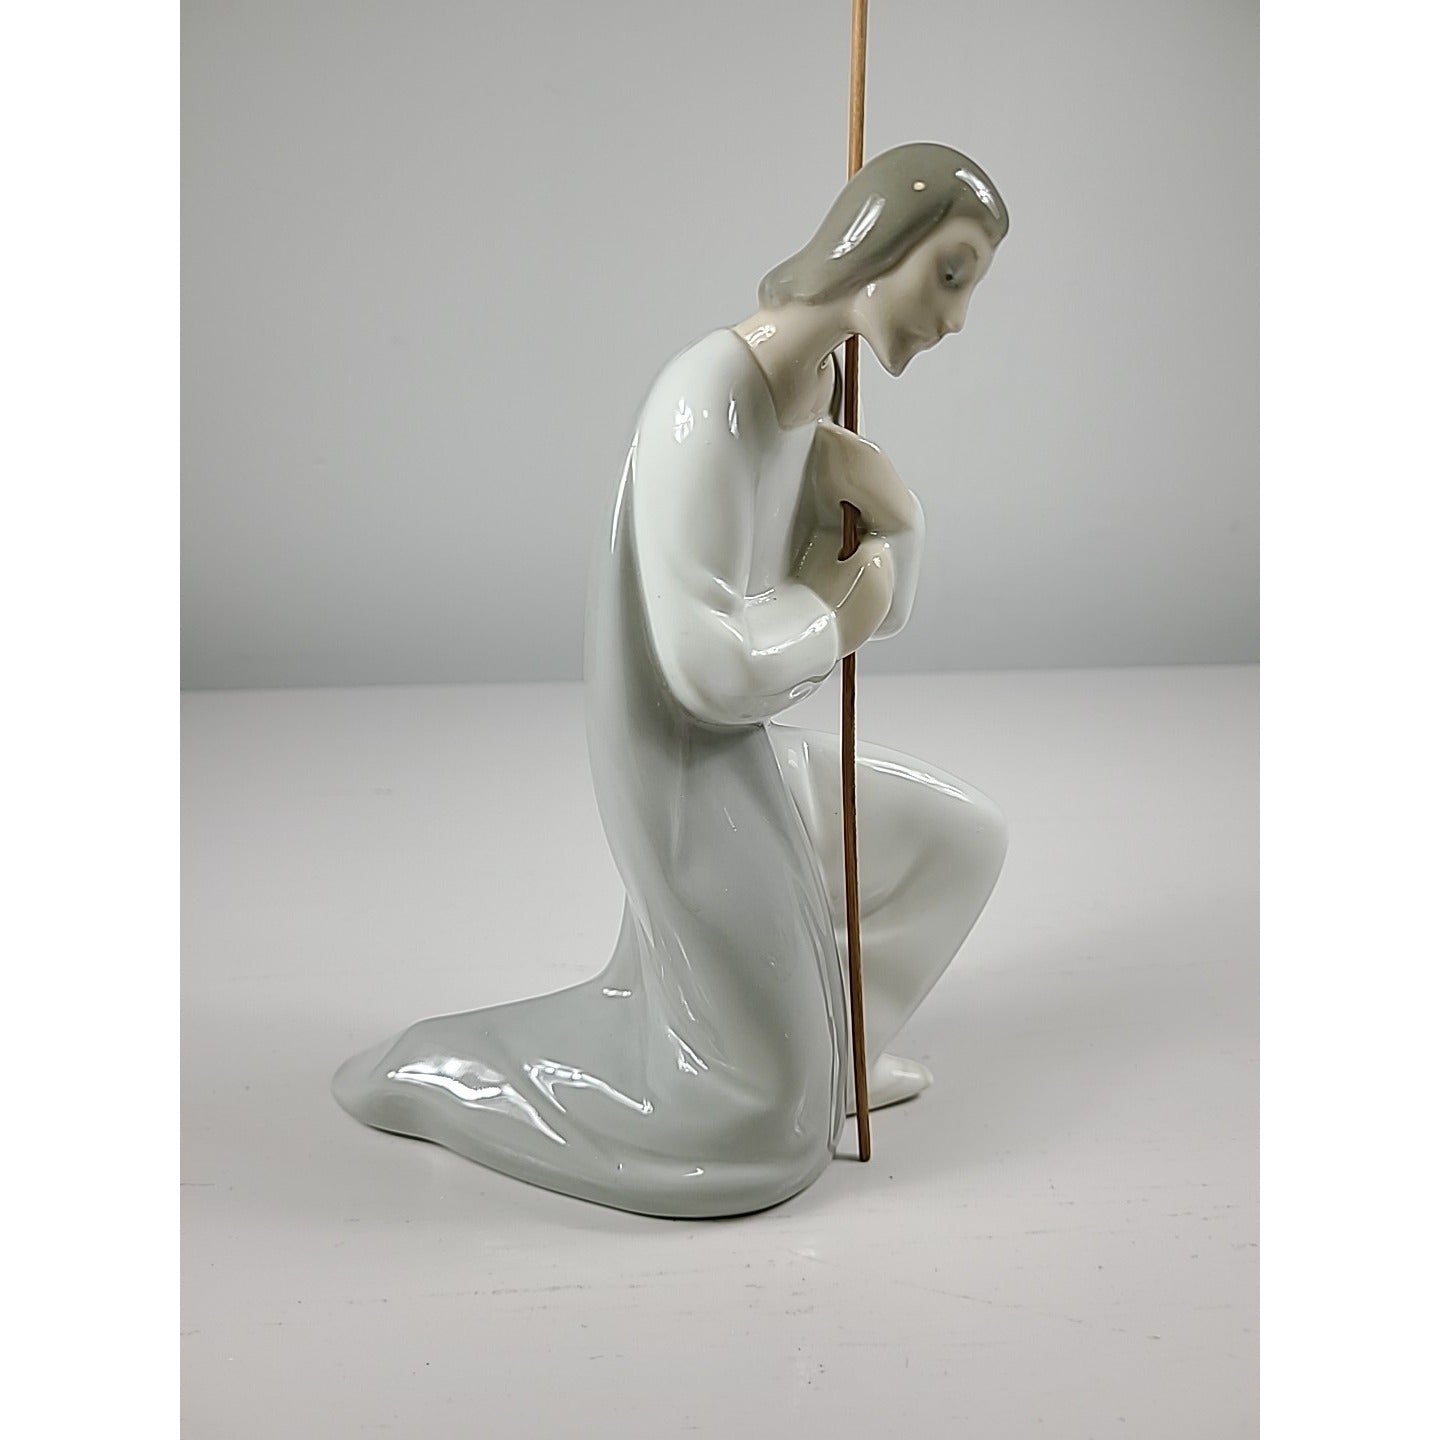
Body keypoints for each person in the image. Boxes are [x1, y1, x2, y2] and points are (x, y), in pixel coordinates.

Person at [334, 143, 1010, 1218]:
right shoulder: (707, 398)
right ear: (876, 248)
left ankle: (826, 1054)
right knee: (756, 1141)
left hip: (742, 751)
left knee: (956, 845)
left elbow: (878, 605)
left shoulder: (821, 386)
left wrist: (898, 528)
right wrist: (833, 605)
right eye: (952, 273)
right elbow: (707, 668)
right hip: (681, 775)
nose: (959, 317)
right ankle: (447, 1073)